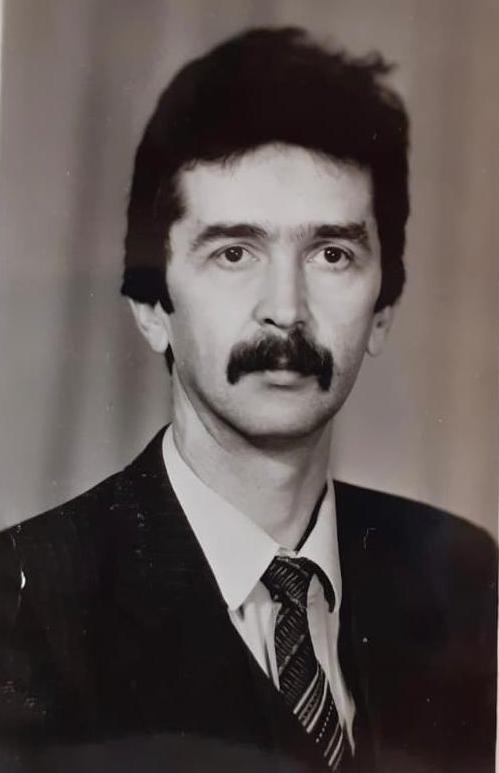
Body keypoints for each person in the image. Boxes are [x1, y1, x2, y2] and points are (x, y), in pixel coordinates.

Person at [0, 27, 496, 773]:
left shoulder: (460, 577)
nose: (285, 310)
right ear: (151, 305)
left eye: (331, 254)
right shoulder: (25, 608)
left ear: (382, 310)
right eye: (234, 252)